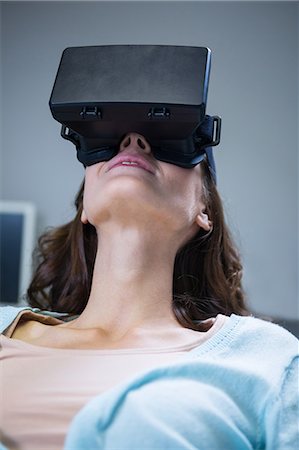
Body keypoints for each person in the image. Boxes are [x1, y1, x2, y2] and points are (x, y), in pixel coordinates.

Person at [0, 132, 298, 450]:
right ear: (85, 205)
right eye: (112, 140)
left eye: (168, 142)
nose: (133, 141)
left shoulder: (268, 358)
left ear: (204, 209)